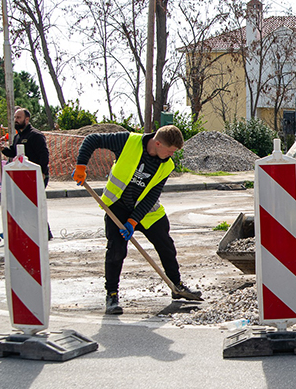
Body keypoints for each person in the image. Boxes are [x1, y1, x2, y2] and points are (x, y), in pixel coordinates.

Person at [72, 125, 201, 315]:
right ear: (157, 143)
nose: (172, 155)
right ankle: (112, 295)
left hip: (146, 210)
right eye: (170, 151)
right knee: (116, 251)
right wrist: (81, 166)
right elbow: (92, 139)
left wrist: (133, 221)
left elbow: (151, 196)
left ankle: (177, 285)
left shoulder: (168, 165)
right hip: (117, 206)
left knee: (166, 245)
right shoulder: (127, 141)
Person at [0, 107, 52, 239]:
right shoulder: (18, 136)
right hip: (23, 176)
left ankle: (44, 233)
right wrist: (3, 150)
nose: (16, 120)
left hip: (37, 175)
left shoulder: (35, 135)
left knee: (35, 204)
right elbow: (13, 152)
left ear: (26, 119)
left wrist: (43, 172)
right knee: (27, 204)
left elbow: (43, 155)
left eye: (19, 118)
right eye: (15, 118)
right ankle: (32, 231)